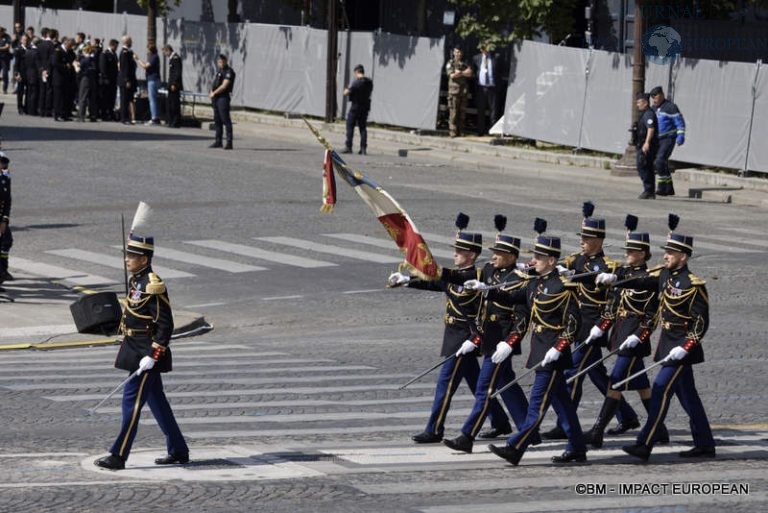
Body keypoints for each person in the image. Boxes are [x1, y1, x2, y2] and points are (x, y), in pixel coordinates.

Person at [388, 214, 510, 444]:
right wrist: (406, 280)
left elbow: (482, 311)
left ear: (471, 255)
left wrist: (474, 338)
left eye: (460, 251)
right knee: (475, 383)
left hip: (465, 338)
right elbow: (433, 282)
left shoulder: (477, 277)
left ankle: (434, 429)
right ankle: (500, 421)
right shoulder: (454, 276)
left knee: (446, 384)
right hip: (452, 335)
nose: (455, 254)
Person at [597, 230, 715, 461]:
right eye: (666, 252)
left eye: (671, 253)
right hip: (668, 345)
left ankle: (645, 443)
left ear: (683, 256)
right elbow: (643, 281)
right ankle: (705, 443)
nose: (666, 256)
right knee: (689, 397)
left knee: (660, 389)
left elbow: (701, 323)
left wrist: (686, 346)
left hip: (681, 350)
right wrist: (615, 279)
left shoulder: (692, 285)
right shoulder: (665, 276)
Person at [474, 229, 587, 466]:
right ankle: (577, 446)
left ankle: (516, 447)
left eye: (538, 256)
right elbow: (514, 298)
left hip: (553, 355)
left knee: (536, 404)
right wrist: (488, 291)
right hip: (540, 351)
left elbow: (573, 324)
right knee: (563, 405)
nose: (532, 260)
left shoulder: (563, 287)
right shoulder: (535, 282)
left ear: (552, 261)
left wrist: (559, 347)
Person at [441, 216, 539, 454]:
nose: (493, 256)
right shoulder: (487, 270)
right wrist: (435, 271)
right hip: (487, 338)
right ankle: (531, 431)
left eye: (499, 253)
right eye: (494, 252)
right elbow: (461, 277)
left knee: (485, 388)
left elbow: (522, 319)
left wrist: (509, 344)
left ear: (512, 256)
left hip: (502, 342)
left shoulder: (520, 280)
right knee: (507, 385)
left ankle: (467, 436)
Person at [94, 234, 190, 471]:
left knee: (131, 403)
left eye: (132, 256)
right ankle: (178, 449)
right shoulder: (136, 281)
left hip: (146, 355)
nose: (127, 260)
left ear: (144, 259)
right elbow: (135, 317)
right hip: (134, 350)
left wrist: (154, 356)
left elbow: (165, 324)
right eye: (127, 255)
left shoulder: (153, 285)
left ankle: (118, 454)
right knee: (158, 403)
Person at [544, 203, 639, 441]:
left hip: (592, 328)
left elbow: (613, 303)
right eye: (582, 237)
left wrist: (602, 327)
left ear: (599, 240)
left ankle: (565, 423)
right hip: (575, 324)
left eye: (587, 238)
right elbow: (554, 271)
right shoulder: (574, 261)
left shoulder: (607, 267)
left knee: (573, 372)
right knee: (596, 373)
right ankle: (627, 416)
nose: (582, 241)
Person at [581, 217, 669, 449]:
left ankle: (597, 430)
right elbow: (612, 306)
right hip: (620, 334)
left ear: (643, 254)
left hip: (634, 338)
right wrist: (599, 328)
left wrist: (639, 336)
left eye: (633, 250)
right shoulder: (621, 272)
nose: (628, 253)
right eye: (627, 250)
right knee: (641, 385)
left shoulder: (650, 277)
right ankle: (659, 429)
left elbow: (652, 315)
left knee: (616, 381)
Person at [650, 86, 685, 196]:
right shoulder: (654, 108)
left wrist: (680, 135)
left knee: (659, 161)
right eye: (653, 98)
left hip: (668, 138)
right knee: (660, 163)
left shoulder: (671, 107)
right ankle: (669, 188)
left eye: (655, 98)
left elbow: (679, 122)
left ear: (662, 95)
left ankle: (662, 187)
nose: (654, 101)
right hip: (656, 139)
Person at [342, 64, 373, 155]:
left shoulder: (357, 82)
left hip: (355, 107)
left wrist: (346, 90)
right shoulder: (369, 82)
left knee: (350, 125)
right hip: (365, 107)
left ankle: (349, 147)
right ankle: (363, 148)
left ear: (356, 72)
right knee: (362, 127)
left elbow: (346, 92)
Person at [472, 44, 501, 136]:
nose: (485, 50)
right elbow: (473, 71)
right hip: (481, 88)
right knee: (481, 110)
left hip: (492, 88)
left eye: (487, 48)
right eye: (483, 48)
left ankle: (493, 131)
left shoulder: (496, 57)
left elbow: (500, 71)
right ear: (480, 49)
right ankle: (480, 130)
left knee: (493, 110)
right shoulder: (476, 58)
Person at [635, 92, 658, 199]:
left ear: (645, 102)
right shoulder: (644, 113)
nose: (637, 105)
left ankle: (648, 190)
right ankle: (650, 191)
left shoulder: (648, 114)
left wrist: (647, 142)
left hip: (646, 146)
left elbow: (651, 128)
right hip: (643, 144)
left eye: (639, 102)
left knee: (642, 166)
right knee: (648, 167)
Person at [209, 54, 235, 149]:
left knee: (225, 120)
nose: (221, 63)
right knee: (217, 120)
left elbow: (224, 86)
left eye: (222, 61)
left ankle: (229, 142)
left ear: (226, 61)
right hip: (216, 98)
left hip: (223, 98)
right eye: (219, 61)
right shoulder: (219, 71)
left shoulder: (229, 72)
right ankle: (218, 141)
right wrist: (211, 91)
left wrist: (214, 92)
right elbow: (216, 83)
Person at [445, 47, 472, 138]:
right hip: (453, 92)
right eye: (456, 52)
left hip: (463, 92)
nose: (458, 54)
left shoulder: (465, 63)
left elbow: (470, 73)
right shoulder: (450, 63)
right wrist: (463, 72)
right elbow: (452, 75)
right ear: (453, 53)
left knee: (462, 113)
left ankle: (461, 131)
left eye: (460, 52)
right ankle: (453, 131)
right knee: (453, 112)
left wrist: (459, 72)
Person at [135, 43, 161, 125]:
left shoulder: (154, 57)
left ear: (150, 50)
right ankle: (156, 116)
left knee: (152, 99)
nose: (147, 51)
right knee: (154, 99)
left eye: (148, 49)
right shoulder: (154, 57)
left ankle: (154, 118)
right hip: (154, 79)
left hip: (153, 80)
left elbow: (145, 66)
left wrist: (137, 59)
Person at [52, 37, 73, 122]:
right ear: (66, 43)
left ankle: (64, 114)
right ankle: (57, 114)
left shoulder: (68, 51)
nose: (71, 47)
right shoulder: (58, 50)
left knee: (65, 97)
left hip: (66, 78)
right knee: (58, 97)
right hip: (58, 78)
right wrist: (65, 66)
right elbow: (55, 63)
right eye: (70, 45)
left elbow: (72, 58)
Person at [76, 44, 98, 122]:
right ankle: (93, 115)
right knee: (92, 98)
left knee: (83, 97)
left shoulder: (85, 60)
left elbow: (78, 70)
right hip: (93, 79)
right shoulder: (93, 59)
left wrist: (76, 65)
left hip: (85, 78)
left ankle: (81, 116)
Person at [118, 36, 137, 125]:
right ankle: (124, 118)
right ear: (127, 42)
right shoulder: (124, 52)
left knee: (128, 98)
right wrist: (127, 80)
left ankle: (127, 117)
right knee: (124, 99)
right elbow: (125, 68)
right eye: (130, 41)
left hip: (129, 79)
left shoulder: (129, 52)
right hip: (125, 80)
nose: (131, 42)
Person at [0, 152, 12, 291]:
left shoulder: (4, 179)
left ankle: (2, 274)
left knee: (6, 242)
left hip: (0, 219)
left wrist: (4, 220)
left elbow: (7, 201)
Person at [99, 39, 119, 121]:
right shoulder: (105, 54)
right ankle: (104, 114)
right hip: (106, 80)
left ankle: (111, 113)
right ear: (112, 45)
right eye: (116, 46)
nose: (117, 48)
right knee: (105, 98)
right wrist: (105, 78)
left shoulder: (114, 54)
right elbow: (103, 67)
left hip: (113, 80)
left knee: (112, 98)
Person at [163, 45, 182, 128]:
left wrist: (174, 83)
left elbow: (177, 72)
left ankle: (175, 122)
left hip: (174, 85)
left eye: (164, 52)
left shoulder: (176, 58)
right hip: (170, 85)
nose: (164, 54)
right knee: (170, 104)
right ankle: (171, 121)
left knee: (175, 104)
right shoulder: (172, 58)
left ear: (168, 50)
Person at [37, 28, 54, 118]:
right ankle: (47, 110)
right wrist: (47, 69)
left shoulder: (39, 45)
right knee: (48, 90)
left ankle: (41, 109)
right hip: (48, 70)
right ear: (47, 34)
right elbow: (51, 59)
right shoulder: (51, 45)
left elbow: (38, 58)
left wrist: (41, 69)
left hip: (41, 70)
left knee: (42, 90)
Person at [24, 37, 40, 116]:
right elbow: (37, 65)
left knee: (28, 93)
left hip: (28, 73)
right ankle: (33, 110)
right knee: (34, 93)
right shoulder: (36, 53)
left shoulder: (27, 51)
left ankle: (27, 109)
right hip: (34, 74)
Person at [13, 34, 27, 115]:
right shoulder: (18, 49)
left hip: (28, 73)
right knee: (20, 92)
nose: (25, 41)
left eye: (26, 40)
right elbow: (16, 64)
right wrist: (16, 74)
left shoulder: (29, 49)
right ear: (21, 40)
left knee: (28, 92)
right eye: (24, 40)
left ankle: (26, 107)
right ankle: (20, 107)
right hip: (21, 73)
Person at [0, 26, 12, 95]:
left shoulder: (7, 37)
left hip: (4, 58)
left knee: (5, 74)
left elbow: (7, 46)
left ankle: (5, 89)